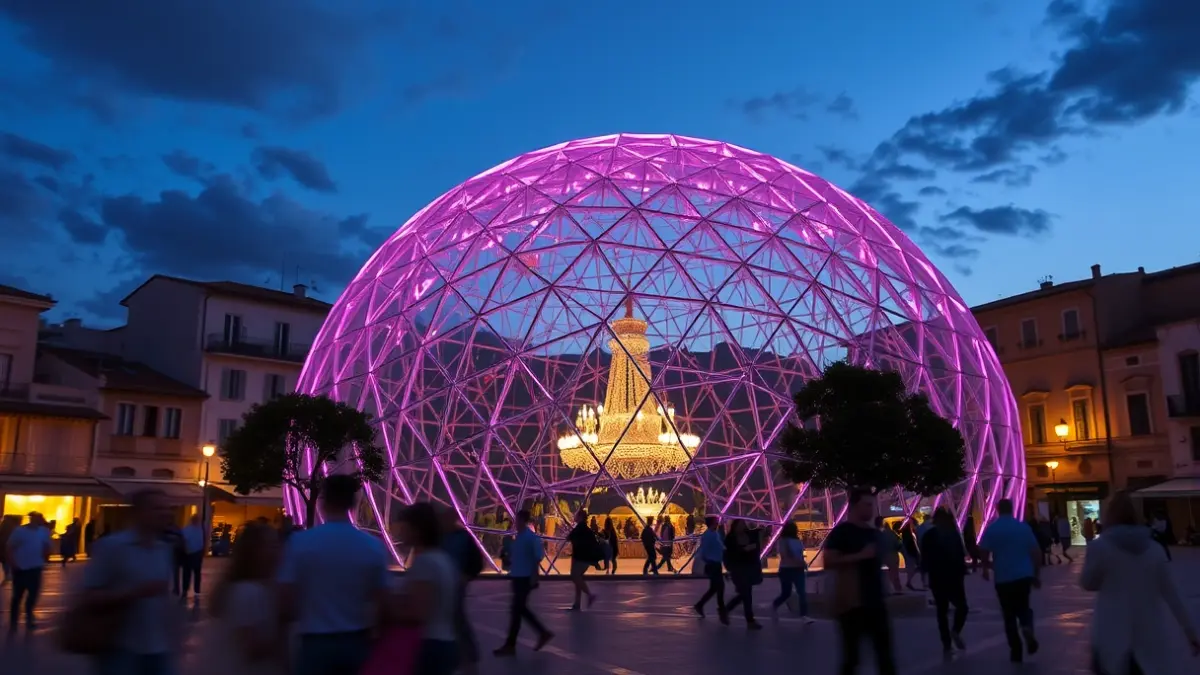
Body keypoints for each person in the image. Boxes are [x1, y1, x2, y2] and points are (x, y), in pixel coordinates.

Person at [278, 474, 391, 675]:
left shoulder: (300, 543)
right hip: (356, 641)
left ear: (323, 501)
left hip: (314, 642)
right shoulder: (373, 547)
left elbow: (285, 598)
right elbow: (382, 601)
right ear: (353, 503)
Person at [1081, 490, 1199, 675]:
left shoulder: (1100, 547)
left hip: (1110, 635)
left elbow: (1088, 583)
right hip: (1149, 637)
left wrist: (1089, 541)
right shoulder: (1154, 549)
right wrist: (1190, 632)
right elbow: (1173, 594)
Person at [80, 489, 182, 673]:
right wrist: (134, 593)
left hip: (158, 647)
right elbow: (88, 596)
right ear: (138, 513)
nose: (166, 513)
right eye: (157, 508)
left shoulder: (163, 549)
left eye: (168, 508)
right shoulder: (113, 546)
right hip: (120, 647)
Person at [825, 489, 896, 675]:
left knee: (885, 656)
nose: (872, 509)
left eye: (872, 505)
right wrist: (860, 556)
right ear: (854, 506)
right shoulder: (841, 533)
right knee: (852, 658)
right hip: (852, 605)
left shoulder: (875, 534)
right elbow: (829, 561)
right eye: (867, 505)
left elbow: (886, 561)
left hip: (876, 603)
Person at [390, 503, 460, 675]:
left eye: (404, 526)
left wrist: (386, 608)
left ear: (417, 530)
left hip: (429, 645)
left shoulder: (426, 562)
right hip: (444, 642)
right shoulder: (443, 559)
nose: (400, 531)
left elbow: (418, 613)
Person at [210, 522, 287, 675]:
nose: (279, 551)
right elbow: (250, 646)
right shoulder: (248, 592)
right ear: (255, 552)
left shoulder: (257, 588)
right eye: (271, 546)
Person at [980, 499, 1042, 663]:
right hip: (1023, 575)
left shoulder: (992, 529)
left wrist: (986, 568)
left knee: (1008, 615)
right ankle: (1027, 627)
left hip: (1003, 577)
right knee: (1024, 607)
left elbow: (984, 552)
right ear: (1012, 509)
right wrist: (1036, 575)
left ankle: (1016, 650)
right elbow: (1036, 552)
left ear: (997, 510)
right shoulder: (1023, 528)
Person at [494, 509, 553, 656]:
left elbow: (538, 556)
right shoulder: (519, 538)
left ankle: (511, 644)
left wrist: (534, 574)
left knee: (517, 610)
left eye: (518, 520)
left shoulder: (530, 538)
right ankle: (541, 633)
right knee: (520, 610)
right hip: (517, 576)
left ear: (523, 521)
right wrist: (507, 559)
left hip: (525, 578)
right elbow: (517, 558)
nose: (516, 523)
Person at [920, 507, 968, 657]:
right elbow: (960, 555)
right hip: (954, 576)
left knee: (942, 611)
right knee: (962, 607)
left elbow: (925, 557)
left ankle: (946, 643)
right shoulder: (953, 534)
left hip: (937, 577)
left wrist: (925, 574)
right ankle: (956, 630)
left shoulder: (929, 535)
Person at [438, 507, 481, 675]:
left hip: (456, 585)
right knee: (452, 620)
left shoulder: (463, 537)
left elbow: (477, 562)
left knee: (457, 620)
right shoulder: (440, 537)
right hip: (441, 585)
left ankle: (468, 656)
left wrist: (466, 576)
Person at [6, 512, 52, 633]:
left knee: (33, 595)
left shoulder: (43, 531)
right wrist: (13, 563)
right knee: (17, 596)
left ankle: (29, 618)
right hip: (20, 568)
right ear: (31, 519)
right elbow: (10, 547)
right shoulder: (19, 531)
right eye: (36, 518)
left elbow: (47, 546)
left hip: (35, 567)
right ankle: (14, 621)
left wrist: (45, 558)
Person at [722, 519, 763, 630]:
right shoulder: (730, 539)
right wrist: (743, 550)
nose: (742, 527)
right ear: (735, 527)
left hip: (748, 568)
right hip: (737, 569)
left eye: (743, 525)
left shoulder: (749, 535)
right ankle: (750, 620)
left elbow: (757, 544)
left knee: (745, 594)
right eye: (739, 525)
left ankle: (727, 610)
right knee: (746, 594)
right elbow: (728, 555)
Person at [772, 521, 812, 622]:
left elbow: (800, 554)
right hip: (787, 569)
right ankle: (775, 605)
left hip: (798, 569)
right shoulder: (783, 541)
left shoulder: (798, 541)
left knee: (801, 592)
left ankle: (804, 615)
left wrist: (802, 563)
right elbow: (785, 556)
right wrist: (801, 563)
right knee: (786, 593)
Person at [692, 516, 727, 621]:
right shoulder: (708, 535)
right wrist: (707, 560)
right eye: (716, 522)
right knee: (720, 587)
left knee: (715, 588)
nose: (717, 523)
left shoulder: (714, 534)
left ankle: (700, 605)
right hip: (712, 564)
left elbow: (720, 547)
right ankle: (721, 610)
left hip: (716, 563)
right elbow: (704, 550)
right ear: (711, 523)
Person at [566, 509, 598, 610]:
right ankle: (577, 603)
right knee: (578, 578)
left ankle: (590, 595)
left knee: (575, 576)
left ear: (580, 517)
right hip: (584, 558)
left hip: (580, 557)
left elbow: (569, 538)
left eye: (576, 515)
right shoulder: (587, 530)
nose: (574, 516)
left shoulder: (579, 528)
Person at [179, 515, 207, 601]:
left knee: (189, 573)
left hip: (192, 553)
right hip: (192, 553)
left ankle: (187, 590)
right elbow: (184, 542)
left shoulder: (188, 530)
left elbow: (183, 541)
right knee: (194, 573)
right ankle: (194, 590)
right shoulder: (198, 530)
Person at [878, 519, 902, 594]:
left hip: (885, 555)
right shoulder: (893, 534)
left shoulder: (881, 534)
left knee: (888, 573)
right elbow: (898, 544)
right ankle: (897, 588)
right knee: (895, 572)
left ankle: (889, 588)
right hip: (893, 554)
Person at [0, 515, 19, 585]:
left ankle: (7, 574)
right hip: (7, 547)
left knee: (5, 561)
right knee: (7, 561)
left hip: (3, 547)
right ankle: (8, 574)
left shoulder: (4, 526)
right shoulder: (13, 527)